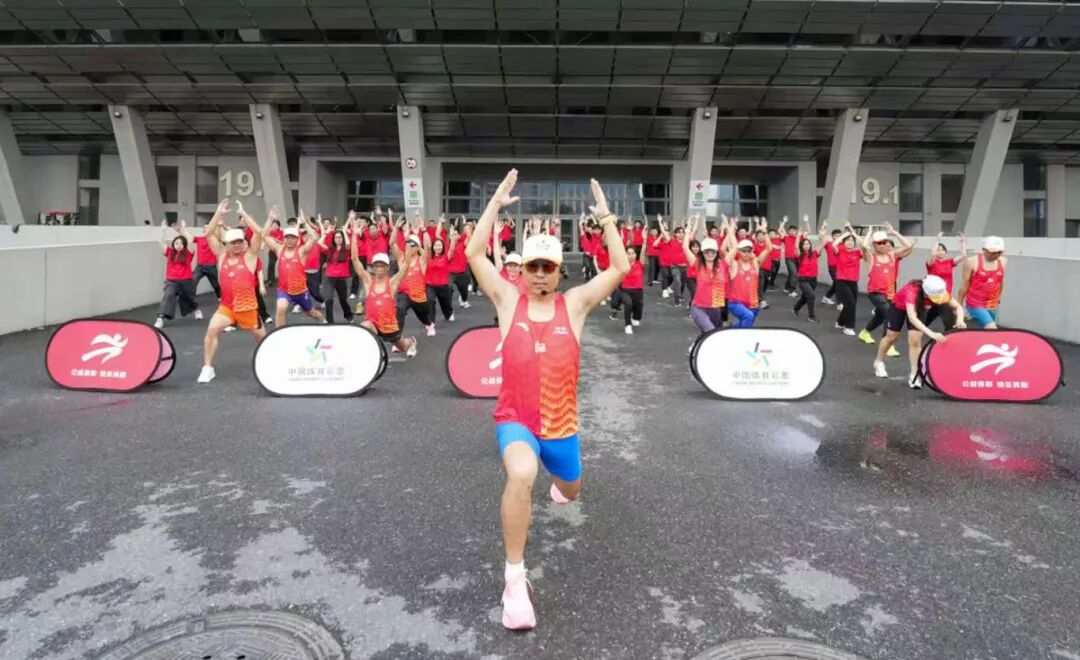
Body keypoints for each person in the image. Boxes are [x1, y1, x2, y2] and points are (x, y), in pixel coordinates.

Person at [465, 170, 630, 631]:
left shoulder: (574, 305)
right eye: (533, 266)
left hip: (561, 426)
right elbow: (474, 253)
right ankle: (514, 581)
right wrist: (494, 204)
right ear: (521, 270)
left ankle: (563, 487)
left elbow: (620, 268)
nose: (539, 275)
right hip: (516, 419)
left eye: (548, 267)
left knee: (570, 490)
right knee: (522, 473)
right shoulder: (506, 300)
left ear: (560, 271)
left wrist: (607, 218)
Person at [197, 200, 267, 384]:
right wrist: (218, 213)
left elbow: (259, 233)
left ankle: (270, 360)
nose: (237, 245)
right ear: (226, 244)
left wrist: (243, 214)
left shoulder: (250, 257)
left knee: (262, 339)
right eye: (233, 242)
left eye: (239, 241)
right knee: (212, 329)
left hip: (248, 307)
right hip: (227, 307)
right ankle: (208, 368)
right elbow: (208, 233)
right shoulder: (221, 256)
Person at [873, 275, 966, 388]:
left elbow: (958, 307)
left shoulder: (939, 291)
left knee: (915, 340)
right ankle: (879, 361)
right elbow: (912, 318)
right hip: (899, 307)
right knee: (892, 336)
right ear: (926, 293)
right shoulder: (911, 292)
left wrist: (960, 320)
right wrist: (931, 333)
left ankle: (914, 374)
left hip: (920, 309)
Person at [348, 217, 417, 357]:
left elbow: (406, 265)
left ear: (387, 268)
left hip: (389, 327)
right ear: (373, 267)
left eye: (382, 266)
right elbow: (355, 259)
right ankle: (375, 356)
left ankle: (411, 342)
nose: (379, 268)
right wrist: (354, 235)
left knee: (403, 346)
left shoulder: (392, 283)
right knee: (365, 327)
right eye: (376, 265)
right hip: (372, 324)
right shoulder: (368, 281)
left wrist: (408, 243)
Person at [262, 212, 327, 327]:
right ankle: (279, 333)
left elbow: (314, 238)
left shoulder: (302, 251)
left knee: (311, 312)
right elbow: (264, 236)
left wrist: (305, 222)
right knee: (280, 308)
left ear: (297, 239)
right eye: (287, 237)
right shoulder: (279, 249)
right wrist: (270, 219)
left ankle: (323, 321)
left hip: (300, 291)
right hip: (284, 290)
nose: (289, 240)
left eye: (292, 237)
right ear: (284, 239)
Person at [859, 224, 914, 353]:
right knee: (889, 314)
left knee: (880, 316)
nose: (882, 245)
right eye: (879, 243)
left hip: (889, 293)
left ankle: (864, 332)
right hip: (875, 293)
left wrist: (894, 233)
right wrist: (869, 233)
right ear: (874, 245)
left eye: (884, 242)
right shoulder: (871, 258)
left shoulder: (892, 256)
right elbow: (864, 247)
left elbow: (908, 246)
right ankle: (887, 345)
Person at [684, 215, 732, 335]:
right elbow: (685, 247)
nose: (710, 254)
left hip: (715, 307)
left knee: (710, 334)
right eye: (707, 252)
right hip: (698, 307)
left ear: (716, 252)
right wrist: (688, 229)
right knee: (710, 331)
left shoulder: (723, 265)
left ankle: (697, 345)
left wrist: (729, 228)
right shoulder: (697, 264)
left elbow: (734, 248)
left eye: (712, 251)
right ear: (702, 253)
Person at [155, 220, 202, 328]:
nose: (179, 245)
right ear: (173, 245)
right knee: (168, 295)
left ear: (184, 245)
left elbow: (190, 240)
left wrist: (183, 230)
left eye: (181, 244)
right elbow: (160, 241)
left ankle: (196, 310)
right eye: (176, 243)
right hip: (171, 281)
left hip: (186, 281)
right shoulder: (169, 252)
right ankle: (160, 318)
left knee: (189, 299)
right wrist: (163, 230)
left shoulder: (188, 253)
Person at [393, 221, 436, 337]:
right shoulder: (401, 258)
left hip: (418, 297)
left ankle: (429, 324)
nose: (408, 247)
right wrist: (396, 228)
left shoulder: (422, 261)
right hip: (404, 294)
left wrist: (424, 230)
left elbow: (428, 247)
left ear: (417, 247)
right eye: (407, 244)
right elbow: (392, 243)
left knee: (424, 317)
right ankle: (398, 338)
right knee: (399, 309)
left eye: (411, 245)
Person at [726, 218, 771, 328]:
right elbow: (730, 249)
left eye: (748, 251)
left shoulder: (755, 264)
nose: (746, 253)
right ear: (739, 251)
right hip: (736, 303)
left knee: (745, 324)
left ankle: (731, 328)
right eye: (743, 251)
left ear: (752, 252)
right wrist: (731, 229)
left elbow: (768, 248)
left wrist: (764, 231)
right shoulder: (734, 264)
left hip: (753, 303)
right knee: (748, 317)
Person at [958, 236, 1007, 329]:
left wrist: (999, 297)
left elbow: (1000, 281)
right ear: (983, 249)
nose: (996, 255)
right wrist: (958, 307)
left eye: (999, 252)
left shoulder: (1003, 261)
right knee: (992, 328)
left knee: (986, 331)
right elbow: (964, 286)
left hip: (992, 303)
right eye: (992, 252)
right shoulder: (971, 262)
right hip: (975, 303)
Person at [608, 226, 648, 334]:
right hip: (625, 290)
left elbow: (643, 252)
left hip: (638, 291)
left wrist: (644, 240)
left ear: (635, 255)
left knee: (638, 308)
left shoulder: (640, 264)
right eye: (628, 253)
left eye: (632, 253)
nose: (630, 255)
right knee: (628, 304)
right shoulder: (622, 265)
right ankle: (627, 325)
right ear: (625, 254)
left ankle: (635, 318)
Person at [924, 231, 966, 329]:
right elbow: (932, 253)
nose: (941, 251)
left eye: (943, 250)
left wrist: (962, 242)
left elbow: (963, 255)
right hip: (933, 295)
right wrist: (937, 240)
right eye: (938, 250)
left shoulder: (949, 262)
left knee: (947, 321)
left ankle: (949, 333)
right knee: (926, 320)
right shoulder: (931, 263)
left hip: (945, 295)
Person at [792, 217, 827, 323]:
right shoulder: (800, 255)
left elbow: (824, 243)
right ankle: (811, 316)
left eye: (808, 244)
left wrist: (823, 233)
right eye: (804, 244)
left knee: (805, 297)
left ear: (810, 245)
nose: (806, 245)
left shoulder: (814, 253)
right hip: (803, 280)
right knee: (811, 296)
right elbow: (796, 248)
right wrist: (798, 236)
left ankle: (795, 308)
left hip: (813, 279)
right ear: (802, 246)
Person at [832, 223, 864, 336]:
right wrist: (844, 235)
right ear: (843, 242)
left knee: (850, 304)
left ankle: (840, 322)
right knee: (850, 304)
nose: (850, 242)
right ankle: (849, 327)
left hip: (853, 282)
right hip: (842, 281)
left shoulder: (857, 253)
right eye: (847, 240)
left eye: (851, 241)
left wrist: (853, 233)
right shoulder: (840, 251)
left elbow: (865, 245)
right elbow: (834, 244)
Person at [321, 227, 355, 324]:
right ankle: (330, 321)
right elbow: (319, 243)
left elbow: (348, 243)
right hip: (329, 277)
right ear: (334, 239)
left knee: (343, 300)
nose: (338, 239)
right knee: (328, 300)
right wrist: (325, 233)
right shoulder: (330, 249)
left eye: (340, 237)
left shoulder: (346, 250)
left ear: (343, 238)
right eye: (336, 237)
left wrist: (344, 231)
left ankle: (348, 315)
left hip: (341, 278)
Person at [426, 218, 455, 323]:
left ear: (442, 247)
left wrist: (452, 237)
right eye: (436, 245)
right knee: (430, 300)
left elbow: (452, 249)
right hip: (430, 285)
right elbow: (435, 236)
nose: (437, 247)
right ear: (433, 247)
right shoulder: (429, 256)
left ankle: (449, 313)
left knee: (445, 303)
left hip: (443, 285)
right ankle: (431, 321)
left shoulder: (446, 257)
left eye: (439, 246)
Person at [192, 224, 223, 301]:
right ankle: (190, 298)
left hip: (211, 266)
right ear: (203, 230)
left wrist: (219, 226)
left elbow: (219, 236)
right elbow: (189, 238)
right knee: (193, 280)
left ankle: (220, 296)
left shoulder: (214, 239)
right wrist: (180, 231)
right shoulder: (199, 238)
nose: (206, 229)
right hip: (200, 266)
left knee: (215, 284)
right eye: (205, 228)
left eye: (208, 227)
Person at [448, 221, 472, 309]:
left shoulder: (463, 244)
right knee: (448, 288)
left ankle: (464, 300)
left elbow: (469, 237)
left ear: (459, 236)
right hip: (450, 273)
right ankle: (447, 306)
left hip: (462, 272)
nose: (454, 236)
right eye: (453, 235)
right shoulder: (446, 246)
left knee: (464, 291)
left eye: (456, 234)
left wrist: (467, 227)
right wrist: (452, 237)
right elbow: (451, 250)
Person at [821, 228, 842, 305]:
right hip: (832, 268)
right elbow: (822, 240)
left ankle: (826, 297)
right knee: (838, 284)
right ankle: (840, 303)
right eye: (836, 236)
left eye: (839, 236)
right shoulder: (829, 244)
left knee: (836, 284)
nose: (837, 237)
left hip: (841, 268)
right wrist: (823, 233)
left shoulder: (843, 245)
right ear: (832, 236)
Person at [782, 221, 799, 295]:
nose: (792, 232)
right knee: (794, 274)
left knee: (792, 274)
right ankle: (792, 291)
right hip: (789, 259)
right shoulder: (786, 237)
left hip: (797, 259)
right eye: (791, 230)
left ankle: (786, 287)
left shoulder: (798, 238)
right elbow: (779, 231)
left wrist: (806, 222)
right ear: (788, 231)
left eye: (794, 231)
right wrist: (784, 223)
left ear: (796, 231)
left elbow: (808, 232)